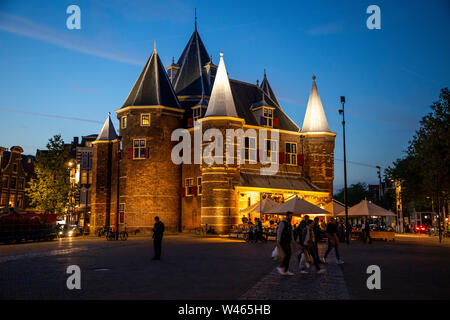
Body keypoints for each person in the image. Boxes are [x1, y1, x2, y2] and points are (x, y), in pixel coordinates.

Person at [276, 211, 294, 275]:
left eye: (291, 216)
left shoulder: (289, 223)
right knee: (287, 254)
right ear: (287, 216)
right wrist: (278, 240)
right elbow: (279, 231)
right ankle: (282, 267)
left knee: (288, 255)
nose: (291, 217)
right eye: (290, 216)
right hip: (283, 241)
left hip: (287, 241)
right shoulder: (283, 223)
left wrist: (292, 239)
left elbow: (291, 232)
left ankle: (285, 270)